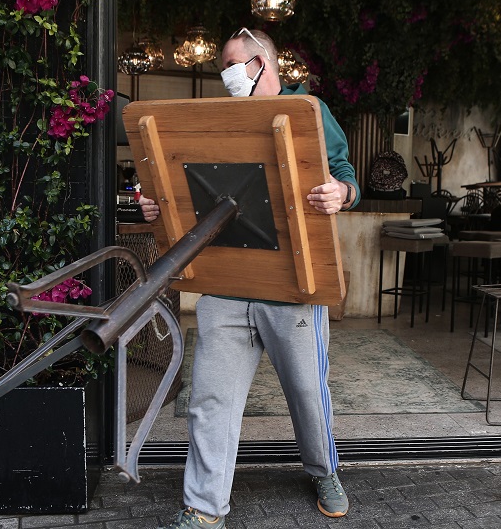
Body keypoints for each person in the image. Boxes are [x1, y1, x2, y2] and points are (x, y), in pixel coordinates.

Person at [140, 28, 360, 529]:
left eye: (234, 65)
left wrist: (341, 193)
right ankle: (203, 506)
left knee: (308, 393)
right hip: (225, 282)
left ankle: (324, 470)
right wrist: (156, 203)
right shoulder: (217, 120)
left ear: (263, 63)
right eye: (224, 68)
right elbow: (176, 184)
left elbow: (347, 175)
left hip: (292, 286)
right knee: (209, 399)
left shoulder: (311, 111)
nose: (228, 76)